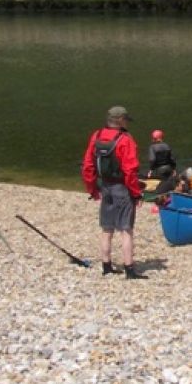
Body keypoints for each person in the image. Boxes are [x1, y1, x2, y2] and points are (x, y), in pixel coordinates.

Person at [80, 106, 146, 279]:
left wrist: (93, 189)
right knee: (126, 229)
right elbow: (130, 170)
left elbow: (88, 166)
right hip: (122, 188)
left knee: (107, 229)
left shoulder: (96, 136)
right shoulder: (125, 139)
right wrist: (136, 193)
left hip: (105, 187)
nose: (127, 123)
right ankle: (129, 268)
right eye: (126, 120)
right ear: (120, 121)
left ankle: (106, 265)